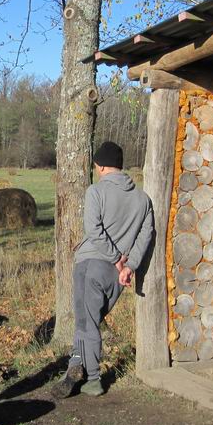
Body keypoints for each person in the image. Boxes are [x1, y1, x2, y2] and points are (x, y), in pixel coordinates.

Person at [52, 141, 154, 398]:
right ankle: (75, 363)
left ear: (100, 167)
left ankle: (94, 379)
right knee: (89, 320)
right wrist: (129, 266)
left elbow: (93, 231)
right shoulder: (143, 199)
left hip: (91, 265)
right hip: (118, 276)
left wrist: (116, 258)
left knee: (86, 323)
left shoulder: (95, 192)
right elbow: (146, 236)